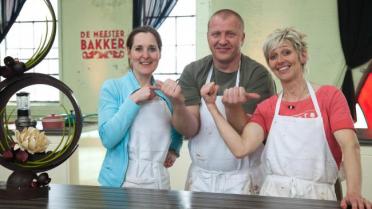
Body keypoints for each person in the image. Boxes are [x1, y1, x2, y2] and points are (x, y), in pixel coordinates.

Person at [201, 27, 372, 208]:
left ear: (302, 56)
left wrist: (353, 192)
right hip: (273, 197)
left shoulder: (330, 97)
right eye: (273, 56)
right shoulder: (268, 107)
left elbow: (350, 144)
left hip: (318, 197)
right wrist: (213, 107)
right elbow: (241, 147)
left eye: (286, 52)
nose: (280, 60)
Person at [158, 9, 275, 194]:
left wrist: (233, 108)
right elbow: (190, 129)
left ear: (242, 37)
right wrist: (178, 104)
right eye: (216, 34)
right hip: (202, 179)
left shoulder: (257, 75)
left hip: (244, 179)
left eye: (230, 34)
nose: (222, 41)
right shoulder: (194, 71)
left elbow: (249, 138)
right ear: (207, 37)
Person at [97, 26, 182, 189]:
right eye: (138, 49)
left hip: (159, 184)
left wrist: (174, 149)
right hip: (121, 186)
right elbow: (108, 138)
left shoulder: (165, 92)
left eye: (152, 49)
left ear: (160, 53)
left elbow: (177, 126)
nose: (145, 55)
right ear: (129, 52)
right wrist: (134, 99)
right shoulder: (113, 88)